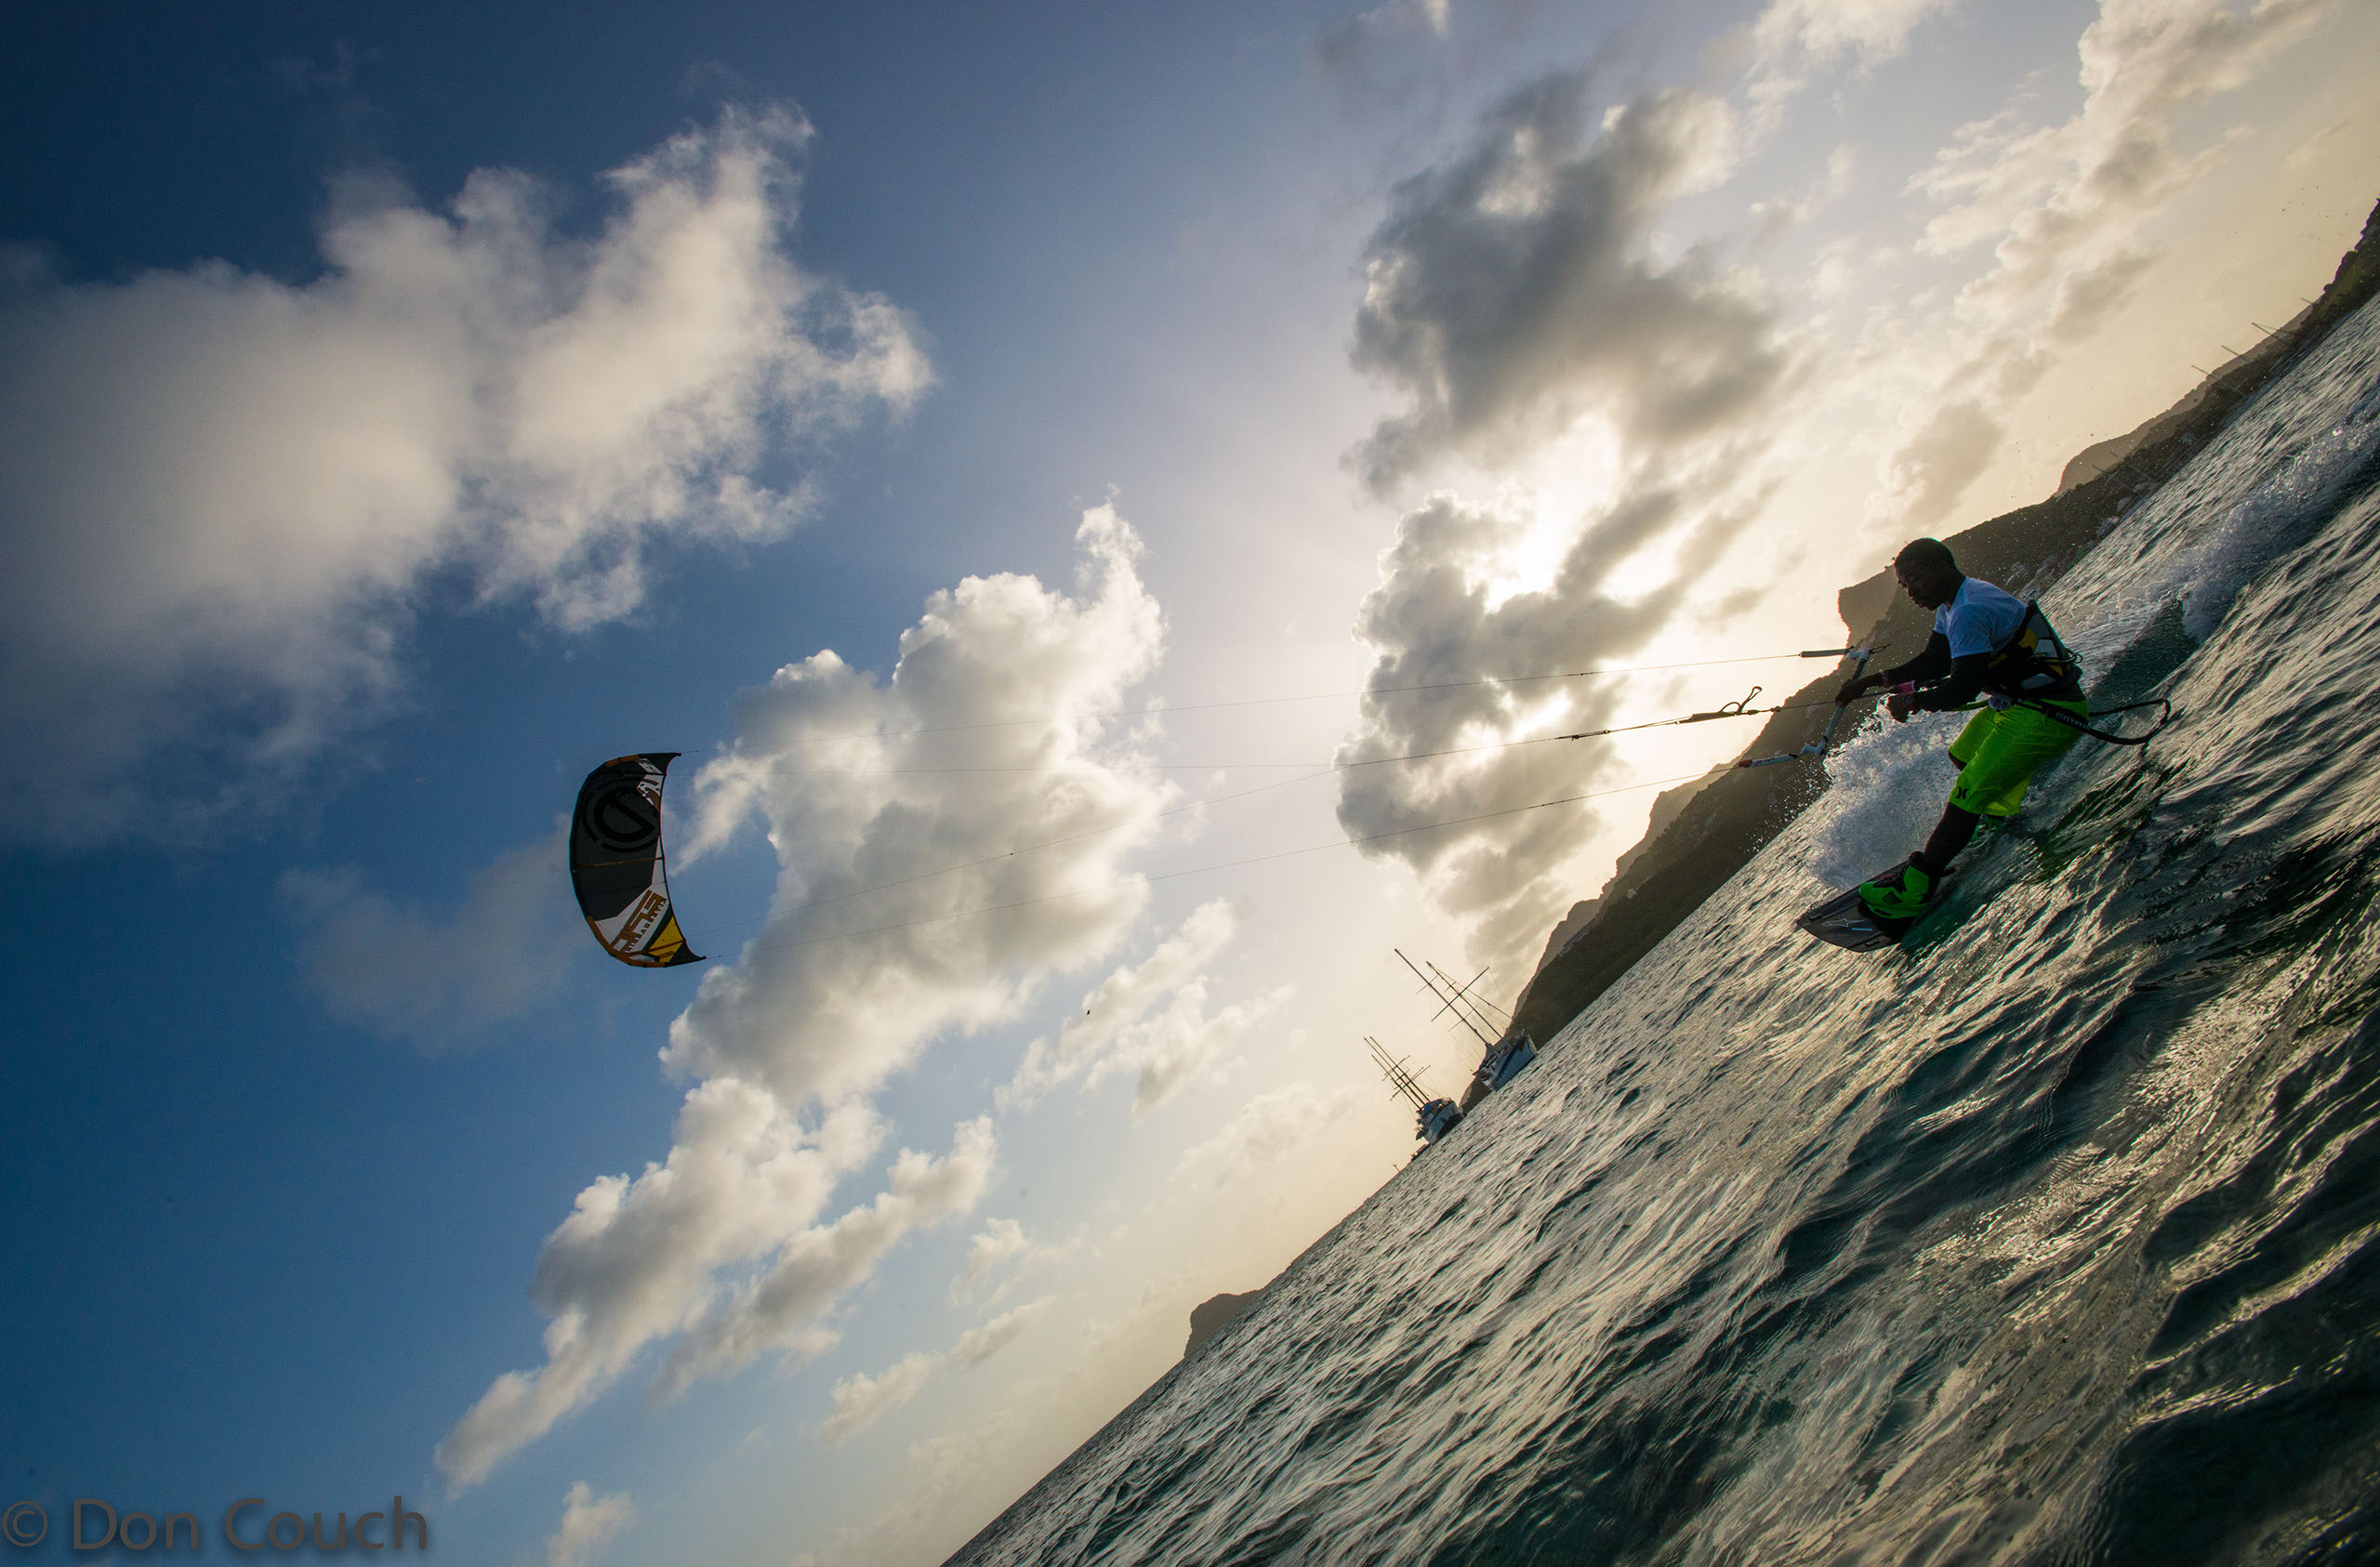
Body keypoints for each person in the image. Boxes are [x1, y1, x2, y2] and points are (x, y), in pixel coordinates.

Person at [1832, 537, 2088, 918]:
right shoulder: (1952, 606)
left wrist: (1912, 701)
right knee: (1962, 755)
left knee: (1964, 797)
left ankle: (1917, 887)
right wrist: (1871, 681)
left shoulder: (1969, 611)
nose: (1911, 591)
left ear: (1942, 567)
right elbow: (1934, 662)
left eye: (1915, 580)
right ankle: (1993, 816)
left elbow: (1962, 689)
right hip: (2022, 704)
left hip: (2048, 712)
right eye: (1904, 585)